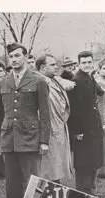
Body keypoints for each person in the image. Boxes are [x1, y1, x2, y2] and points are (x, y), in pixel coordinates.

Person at [0, 42, 51, 198]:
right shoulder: (2, 82)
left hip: (30, 138)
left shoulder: (38, 81)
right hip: (8, 138)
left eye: (18, 56)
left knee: (32, 181)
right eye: (11, 57)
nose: (14, 60)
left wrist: (44, 140)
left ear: (26, 57)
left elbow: (44, 113)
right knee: (12, 182)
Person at [68, 51, 104, 194]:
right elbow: (74, 109)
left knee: (92, 162)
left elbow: (97, 95)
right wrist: (77, 132)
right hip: (83, 130)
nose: (87, 65)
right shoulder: (77, 81)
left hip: (93, 127)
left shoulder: (89, 78)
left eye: (89, 62)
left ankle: (90, 191)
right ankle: (83, 193)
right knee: (83, 165)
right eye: (84, 63)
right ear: (79, 64)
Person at [36, 54, 73, 183]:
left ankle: (55, 189)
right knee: (49, 168)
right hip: (49, 129)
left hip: (59, 126)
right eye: (52, 65)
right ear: (42, 67)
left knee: (56, 167)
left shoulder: (53, 79)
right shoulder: (40, 82)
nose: (56, 67)